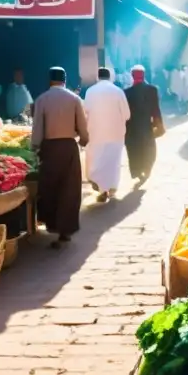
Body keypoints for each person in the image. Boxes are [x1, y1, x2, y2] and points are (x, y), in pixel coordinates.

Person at [31, 67, 89, 248]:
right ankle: (66, 230)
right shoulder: (74, 99)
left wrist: (35, 147)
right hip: (69, 147)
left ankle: (53, 225)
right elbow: (82, 126)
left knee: (51, 188)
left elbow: (37, 129)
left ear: (50, 80)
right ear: (65, 79)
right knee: (69, 189)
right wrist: (84, 141)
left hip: (50, 149)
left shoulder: (42, 99)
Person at [84, 67, 130, 203]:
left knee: (98, 160)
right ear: (110, 77)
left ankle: (102, 189)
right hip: (116, 134)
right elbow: (127, 114)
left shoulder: (90, 91)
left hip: (96, 133)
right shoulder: (118, 91)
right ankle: (112, 188)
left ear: (97, 77)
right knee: (113, 162)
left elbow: (86, 111)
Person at [124, 65, 164, 186]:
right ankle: (147, 168)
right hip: (147, 125)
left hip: (131, 127)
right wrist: (159, 124)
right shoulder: (152, 90)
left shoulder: (127, 92)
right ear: (144, 75)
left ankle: (137, 171)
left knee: (134, 150)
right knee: (149, 149)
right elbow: (156, 109)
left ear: (132, 76)